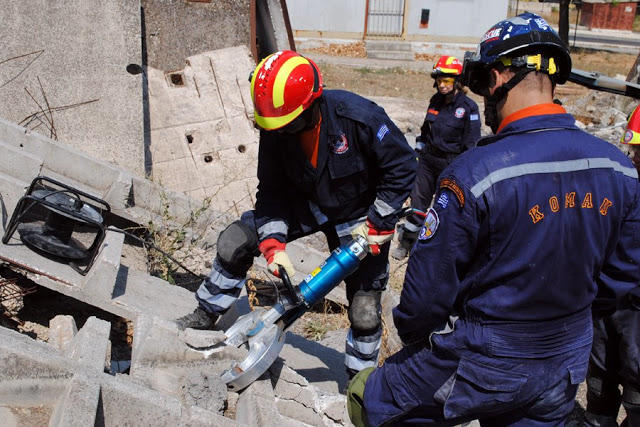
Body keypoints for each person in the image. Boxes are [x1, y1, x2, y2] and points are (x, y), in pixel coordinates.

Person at [347, 12, 640, 426]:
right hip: (564, 363)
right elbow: (621, 277)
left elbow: (422, 302)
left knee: (369, 399)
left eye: (484, 79)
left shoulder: (475, 174)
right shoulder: (620, 169)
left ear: (500, 76)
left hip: (484, 362)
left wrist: (430, 345)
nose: (483, 93)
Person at [175, 50, 417, 377]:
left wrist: (379, 222)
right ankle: (207, 312)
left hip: (362, 213)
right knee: (235, 240)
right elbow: (271, 190)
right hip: (310, 202)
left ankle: (361, 383)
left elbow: (402, 168)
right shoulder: (278, 126)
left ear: (312, 105)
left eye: (288, 125)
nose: (282, 133)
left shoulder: (359, 118)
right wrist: (273, 246)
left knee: (363, 310)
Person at [582, 106, 640, 427]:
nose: (636, 158)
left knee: (637, 391)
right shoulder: (620, 186)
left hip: (637, 313)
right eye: (635, 150)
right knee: (600, 381)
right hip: (605, 305)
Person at [393, 55, 481, 260]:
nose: (442, 85)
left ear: (457, 81)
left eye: (447, 81)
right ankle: (408, 242)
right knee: (418, 202)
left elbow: (471, 145)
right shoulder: (435, 101)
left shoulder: (469, 108)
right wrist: (418, 154)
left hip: (451, 165)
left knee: (445, 207)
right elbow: (425, 132)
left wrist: (463, 171)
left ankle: (435, 248)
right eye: (440, 80)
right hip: (428, 161)